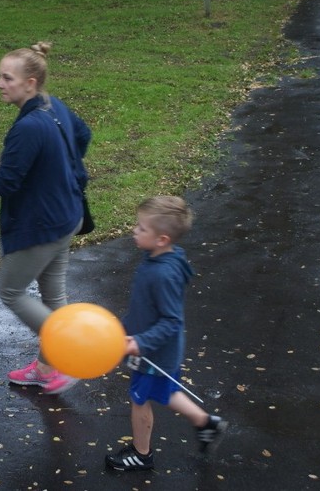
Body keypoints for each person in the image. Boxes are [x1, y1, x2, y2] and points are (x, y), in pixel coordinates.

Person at [0, 42, 92, 396]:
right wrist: (58, 171)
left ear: (30, 83)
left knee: (11, 291)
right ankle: (46, 368)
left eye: (6, 78)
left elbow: (4, 183)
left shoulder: (28, 128)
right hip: (67, 214)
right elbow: (83, 136)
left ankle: (69, 355)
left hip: (42, 225)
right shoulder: (55, 106)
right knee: (54, 296)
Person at [105, 196, 228, 472]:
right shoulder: (161, 257)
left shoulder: (163, 274)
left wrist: (141, 341)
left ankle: (141, 454)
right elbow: (147, 308)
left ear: (161, 239)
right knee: (165, 390)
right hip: (156, 349)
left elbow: (171, 320)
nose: (134, 231)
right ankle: (206, 422)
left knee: (140, 399)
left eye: (141, 228)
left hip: (153, 353)